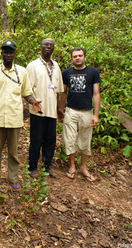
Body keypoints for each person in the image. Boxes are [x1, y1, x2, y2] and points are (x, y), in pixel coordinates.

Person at [0, 41, 41, 187]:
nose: (8, 54)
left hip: (15, 117)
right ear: (1, 53)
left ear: (14, 54)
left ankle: (13, 178)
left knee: (13, 152)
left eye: (11, 52)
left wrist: (33, 101)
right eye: (6, 52)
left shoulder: (22, 72)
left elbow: (27, 92)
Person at [60, 48, 101, 182]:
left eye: (80, 56)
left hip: (86, 111)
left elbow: (96, 94)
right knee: (69, 139)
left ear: (85, 57)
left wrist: (96, 115)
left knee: (85, 140)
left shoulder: (93, 72)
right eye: (75, 56)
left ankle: (84, 167)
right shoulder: (67, 72)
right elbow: (63, 92)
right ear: (72, 59)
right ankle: (72, 166)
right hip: (71, 111)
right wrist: (61, 110)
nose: (77, 58)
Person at [26, 38, 64, 178]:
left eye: (51, 45)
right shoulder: (33, 65)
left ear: (54, 48)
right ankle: (33, 167)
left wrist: (59, 108)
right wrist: (33, 102)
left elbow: (58, 90)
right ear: (41, 47)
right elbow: (27, 88)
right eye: (46, 45)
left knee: (50, 139)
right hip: (38, 109)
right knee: (36, 139)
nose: (48, 47)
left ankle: (47, 166)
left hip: (52, 110)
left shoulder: (56, 66)